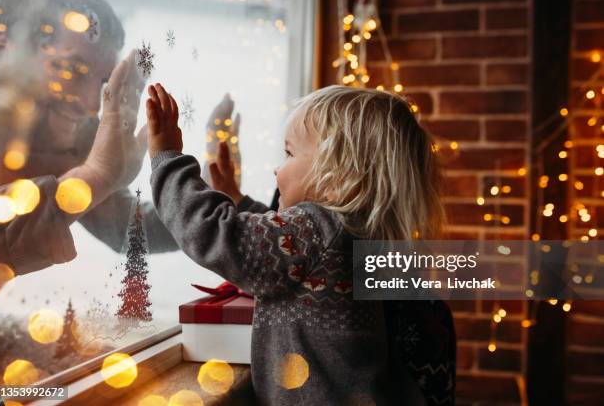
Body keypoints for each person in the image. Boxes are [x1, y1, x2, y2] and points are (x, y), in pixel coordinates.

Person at [137, 82, 452, 404]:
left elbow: (213, 233)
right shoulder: (353, 231)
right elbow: (290, 248)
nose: (277, 167)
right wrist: (239, 201)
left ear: (339, 175)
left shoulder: (317, 230)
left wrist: (167, 158)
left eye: (288, 153)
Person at [0, 0, 181, 279]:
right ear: (0, 50)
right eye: (72, 70)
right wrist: (97, 175)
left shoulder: (73, 133)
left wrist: (212, 204)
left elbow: (124, 229)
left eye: (104, 82)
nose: (91, 103)